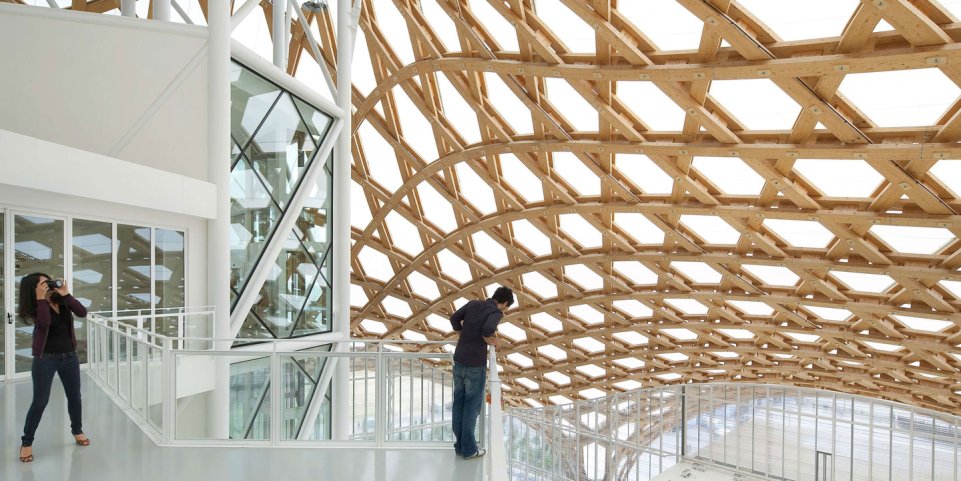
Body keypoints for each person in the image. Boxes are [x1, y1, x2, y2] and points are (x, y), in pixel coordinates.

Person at [18, 272, 90, 463]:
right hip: (45, 359)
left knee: (75, 396)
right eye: (43, 284)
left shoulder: (62, 300)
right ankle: (27, 442)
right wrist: (41, 299)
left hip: (70, 357)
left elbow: (82, 312)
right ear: (34, 289)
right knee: (40, 402)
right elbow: (44, 323)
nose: (48, 285)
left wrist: (66, 294)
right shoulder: (35, 306)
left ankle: (77, 430)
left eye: (48, 282)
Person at [449, 286, 514, 460]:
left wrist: (463, 333)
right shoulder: (496, 312)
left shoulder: (473, 304)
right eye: (506, 307)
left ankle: (460, 446)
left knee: (459, 403)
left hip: (459, 359)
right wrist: (492, 340)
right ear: (505, 303)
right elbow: (487, 329)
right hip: (474, 365)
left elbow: (454, 318)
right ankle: (469, 449)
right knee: (472, 407)